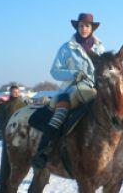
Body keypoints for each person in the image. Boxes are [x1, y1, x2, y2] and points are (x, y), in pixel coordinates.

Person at [31, 13, 104, 169]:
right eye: (81, 26)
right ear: (77, 27)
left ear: (92, 28)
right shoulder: (66, 48)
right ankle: (43, 151)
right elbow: (54, 71)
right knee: (61, 113)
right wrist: (73, 73)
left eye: (87, 26)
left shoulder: (100, 47)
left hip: (93, 89)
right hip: (71, 89)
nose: (84, 29)